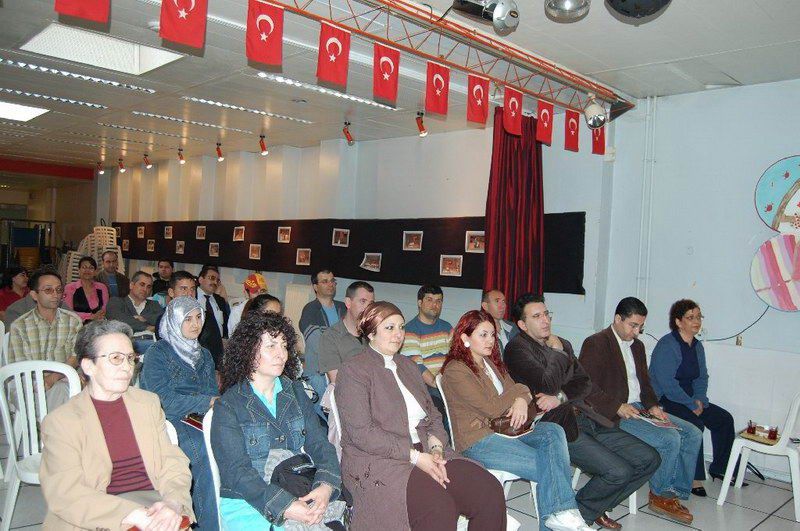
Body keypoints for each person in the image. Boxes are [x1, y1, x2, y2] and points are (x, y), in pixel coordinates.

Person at [336, 301, 506, 530]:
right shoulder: (353, 370)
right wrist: (416, 458)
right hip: (380, 460)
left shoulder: (408, 366)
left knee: (488, 490)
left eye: (401, 327)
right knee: (438, 508)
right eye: (389, 328)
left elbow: (433, 414)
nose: (398, 334)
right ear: (371, 332)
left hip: (426, 449)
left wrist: (436, 448)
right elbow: (362, 434)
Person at [505, 294, 660, 529]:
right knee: (619, 472)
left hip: (587, 416)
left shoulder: (563, 343)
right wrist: (557, 354)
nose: (545, 320)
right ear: (522, 325)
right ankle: (578, 518)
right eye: (537, 316)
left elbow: (584, 383)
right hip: (557, 427)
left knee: (649, 459)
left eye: (546, 314)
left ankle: (588, 509)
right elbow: (547, 384)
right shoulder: (517, 350)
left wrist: (560, 396)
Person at [441, 310, 591, 531]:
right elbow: (492, 408)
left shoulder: (488, 363)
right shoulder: (456, 370)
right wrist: (519, 397)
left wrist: (520, 398)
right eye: (483, 335)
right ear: (465, 338)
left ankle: (560, 516)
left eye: (492, 334)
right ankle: (560, 516)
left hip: (508, 429)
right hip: (478, 440)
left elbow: (521, 388)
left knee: (552, 431)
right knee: (551, 465)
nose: (491, 340)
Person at [39, 320, 194, 530]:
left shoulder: (147, 403)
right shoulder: (62, 422)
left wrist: (173, 502)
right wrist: (133, 515)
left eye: (130, 358)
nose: (127, 367)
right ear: (88, 366)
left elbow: (171, 461)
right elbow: (66, 493)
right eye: (115, 358)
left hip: (152, 502)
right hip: (96, 512)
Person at [211, 311, 346, 529]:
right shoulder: (229, 405)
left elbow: (320, 445)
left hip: (295, 485)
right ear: (248, 350)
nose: (281, 354)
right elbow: (236, 472)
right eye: (271, 346)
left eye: (284, 346)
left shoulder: (296, 392)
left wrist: (325, 486)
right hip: (247, 501)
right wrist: (285, 506)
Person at [579, 297, 702, 523]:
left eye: (640, 327)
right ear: (618, 319)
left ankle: (675, 491)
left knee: (693, 433)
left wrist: (653, 406)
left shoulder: (637, 346)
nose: (636, 332)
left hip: (639, 408)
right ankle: (660, 495)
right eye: (633, 325)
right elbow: (586, 387)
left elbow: (645, 383)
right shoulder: (596, 343)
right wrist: (617, 406)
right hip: (614, 413)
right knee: (669, 439)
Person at [140, 297, 220, 530]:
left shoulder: (204, 354)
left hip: (201, 418)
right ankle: (207, 525)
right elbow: (160, 399)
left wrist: (214, 405)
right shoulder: (159, 352)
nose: (195, 324)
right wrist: (207, 402)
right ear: (174, 321)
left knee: (233, 442)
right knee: (204, 453)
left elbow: (211, 393)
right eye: (187, 319)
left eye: (198, 317)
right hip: (171, 420)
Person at [650, 299, 744, 492]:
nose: (696, 321)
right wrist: (691, 404)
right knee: (695, 424)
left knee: (724, 419)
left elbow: (702, 377)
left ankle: (721, 468)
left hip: (691, 399)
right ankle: (693, 477)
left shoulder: (697, 346)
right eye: (690, 317)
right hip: (665, 399)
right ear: (678, 322)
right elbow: (668, 384)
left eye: (699, 317)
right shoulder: (667, 345)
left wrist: (700, 399)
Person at [8, 270, 82, 411]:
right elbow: (20, 367)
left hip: (63, 380)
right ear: (34, 295)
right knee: (60, 395)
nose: (55, 294)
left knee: (62, 390)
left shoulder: (73, 321)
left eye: (59, 290)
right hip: (30, 383)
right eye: (48, 290)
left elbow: (76, 356)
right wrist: (43, 382)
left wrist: (53, 378)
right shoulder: (20, 326)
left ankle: (51, 423)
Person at [299, 269, 346, 412]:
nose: (330, 284)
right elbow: (318, 346)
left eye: (332, 281)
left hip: (343, 368)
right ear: (315, 287)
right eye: (325, 281)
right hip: (318, 371)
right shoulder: (310, 310)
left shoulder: (343, 308)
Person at [318, 281, 375, 384]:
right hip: (352, 391)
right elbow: (338, 382)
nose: (368, 308)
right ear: (348, 303)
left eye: (371, 304)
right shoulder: (330, 337)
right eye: (363, 301)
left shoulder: (374, 335)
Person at [105, 271, 164, 353]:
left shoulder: (154, 304)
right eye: (142, 285)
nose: (145, 289)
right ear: (131, 285)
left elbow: (163, 322)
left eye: (149, 287)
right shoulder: (116, 302)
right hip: (124, 345)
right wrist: (148, 327)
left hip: (152, 345)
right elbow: (119, 321)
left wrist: (144, 318)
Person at [196, 265, 230, 370]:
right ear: (201, 279)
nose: (215, 282)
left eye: (217, 280)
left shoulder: (220, 300)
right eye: (211, 278)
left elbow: (226, 324)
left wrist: (225, 339)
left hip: (217, 349)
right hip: (198, 346)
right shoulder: (192, 297)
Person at [64, 256, 109, 323]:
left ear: (95, 272)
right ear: (79, 270)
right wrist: (91, 316)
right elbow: (67, 312)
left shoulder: (102, 287)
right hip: (77, 324)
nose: (87, 270)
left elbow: (104, 309)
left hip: (98, 324)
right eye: (84, 267)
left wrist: (98, 316)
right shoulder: (69, 288)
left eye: (91, 268)